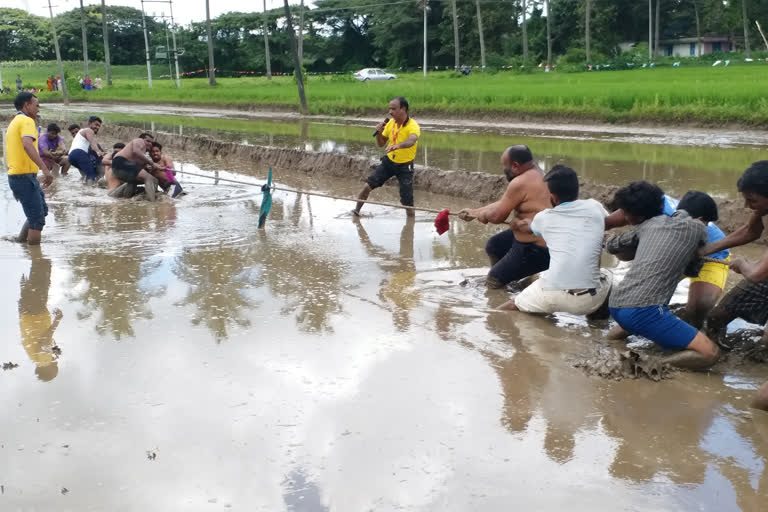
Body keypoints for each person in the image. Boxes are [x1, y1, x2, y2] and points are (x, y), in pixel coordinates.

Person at [605, 181, 720, 370]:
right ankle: (650, 365)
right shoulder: (697, 228)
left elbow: (612, 246)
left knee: (638, 315)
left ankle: (605, 343)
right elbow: (692, 270)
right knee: (711, 353)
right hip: (643, 311)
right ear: (701, 219)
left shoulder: (650, 224)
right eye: (707, 223)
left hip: (617, 305)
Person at [605, 191, 729, 330]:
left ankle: (692, 332)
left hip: (711, 256)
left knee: (698, 309)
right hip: (674, 251)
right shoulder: (647, 203)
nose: (627, 219)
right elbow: (609, 223)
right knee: (641, 303)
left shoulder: (658, 214)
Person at [499, 165, 612, 315]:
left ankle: (492, 322)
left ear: (554, 197)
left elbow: (528, 227)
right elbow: (607, 222)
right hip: (591, 298)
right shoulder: (595, 206)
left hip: (553, 294)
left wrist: (516, 224)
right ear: (576, 189)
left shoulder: (544, 218)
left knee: (511, 307)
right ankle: (598, 323)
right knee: (608, 276)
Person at [458, 145, 552, 289]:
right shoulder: (539, 174)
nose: (504, 171)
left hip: (536, 249)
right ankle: (509, 278)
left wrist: (484, 215)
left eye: (504, 166)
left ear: (515, 165)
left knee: (493, 280)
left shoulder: (520, 182)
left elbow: (497, 216)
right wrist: (475, 212)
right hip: (538, 241)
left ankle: (502, 287)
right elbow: (505, 203)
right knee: (495, 245)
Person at [703, 162, 768, 351]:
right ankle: (718, 354)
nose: (747, 205)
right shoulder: (762, 209)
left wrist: (743, 263)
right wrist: (704, 251)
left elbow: (757, 274)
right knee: (716, 318)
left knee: (767, 341)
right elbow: (750, 231)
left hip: (761, 273)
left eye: (753, 200)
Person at [352, 96, 420, 217]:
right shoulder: (390, 124)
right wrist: (378, 133)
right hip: (389, 162)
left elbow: (412, 140)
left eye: (393, 109)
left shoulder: (412, 125)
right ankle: (356, 211)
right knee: (367, 186)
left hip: (405, 166)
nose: (390, 112)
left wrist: (398, 146)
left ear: (403, 109)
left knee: (407, 201)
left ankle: (411, 222)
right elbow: (381, 144)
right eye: (389, 109)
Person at [6, 92, 53, 245]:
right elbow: (27, 144)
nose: (38, 108)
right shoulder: (26, 120)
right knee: (37, 219)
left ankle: (21, 242)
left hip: (22, 177)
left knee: (41, 212)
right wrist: (45, 169)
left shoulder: (16, 120)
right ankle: (36, 258)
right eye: (36, 105)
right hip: (23, 178)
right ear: (27, 105)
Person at [19, 246, 63, 382]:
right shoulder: (34, 358)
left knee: (42, 269)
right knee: (38, 271)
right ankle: (33, 247)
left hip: (34, 311)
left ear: (49, 369)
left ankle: (33, 244)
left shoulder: (44, 360)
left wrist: (57, 320)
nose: (56, 363)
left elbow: (44, 342)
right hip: (28, 311)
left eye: (55, 368)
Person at [111, 133, 164, 201]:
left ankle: (122, 199)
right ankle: (152, 203)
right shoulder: (139, 141)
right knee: (149, 178)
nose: (150, 144)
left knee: (152, 180)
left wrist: (152, 167)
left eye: (151, 142)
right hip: (121, 161)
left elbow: (141, 169)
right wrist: (152, 163)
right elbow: (136, 151)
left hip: (118, 168)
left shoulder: (142, 155)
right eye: (147, 141)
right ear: (142, 139)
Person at [68, 116, 104, 184]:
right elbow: (92, 143)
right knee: (91, 176)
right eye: (96, 124)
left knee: (88, 173)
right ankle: (88, 193)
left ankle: (84, 187)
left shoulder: (80, 134)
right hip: (79, 153)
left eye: (99, 126)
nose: (97, 127)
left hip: (71, 157)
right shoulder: (88, 130)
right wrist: (98, 151)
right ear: (90, 124)